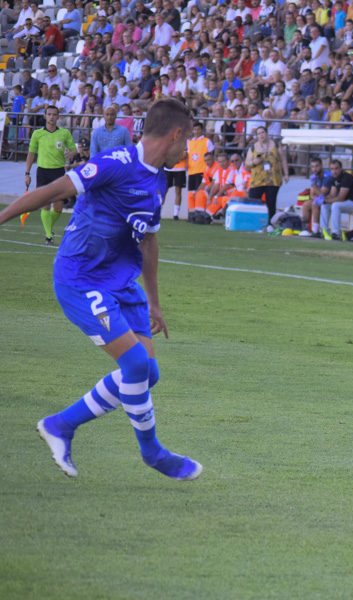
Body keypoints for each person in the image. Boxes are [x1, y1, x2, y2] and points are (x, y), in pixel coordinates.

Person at [0, 98, 202, 481]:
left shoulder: (158, 178)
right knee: (136, 365)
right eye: (187, 140)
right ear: (176, 134)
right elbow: (54, 189)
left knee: (148, 374)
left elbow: (149, 242)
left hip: (122, 283)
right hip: (80, 278)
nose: (187, 149)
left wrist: (155, 303)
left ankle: (61, 424)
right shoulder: (116, 162)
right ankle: (154, 454)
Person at [24, 105, 77, 244]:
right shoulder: (37, 133)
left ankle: (49, 227)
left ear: (58, 116)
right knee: (45, 204)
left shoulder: (64, 133)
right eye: (49, 114)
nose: (52, 117)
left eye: (54, 114)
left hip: (59, 172)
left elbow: (74, 150)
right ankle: (49, 235)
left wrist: (70, 153)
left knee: (58, 208)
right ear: (45, 116)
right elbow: (31, 154)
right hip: (43, 172)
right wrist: (27, 173)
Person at [245, 126, 289, 228]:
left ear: (267, 133)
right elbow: (247, 162)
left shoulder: (276, 145)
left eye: (263, 132)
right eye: (259, 133)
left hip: (273, 178)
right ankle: (253, 222)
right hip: (257, 179)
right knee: (254, 201)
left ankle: (270, 224)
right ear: (257, 136)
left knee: (271, 202)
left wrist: (286, 174)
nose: (261, 135)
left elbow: (283, 160)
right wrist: (254, 162)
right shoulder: (253, 147)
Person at [320, 159, 353, 240]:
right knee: (325, 205)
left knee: (336, 205)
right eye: (332, 169)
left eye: (336, 168)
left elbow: (341, 198)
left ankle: (336, 233)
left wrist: (326, 200)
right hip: (348, 202)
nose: (334, 171)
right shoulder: (335, 178)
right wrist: (322, 199)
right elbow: (332, 194)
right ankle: (324, 231)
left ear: (341, 168)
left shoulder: (346, 178)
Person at [184, 122, 214, 221]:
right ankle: (192, 214)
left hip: (202, 170)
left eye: (198, 129)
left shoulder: (207, 141)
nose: (196, 131)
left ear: (202, 130)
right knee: (191, 193)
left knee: (200, 192)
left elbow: (212, 153)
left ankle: (200, 214)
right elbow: (188, 154)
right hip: (192, 170)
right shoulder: (190, 142)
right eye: (194, 129)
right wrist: (186, 163)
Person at [298, 157, 333, 237]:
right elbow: (312, 194)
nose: (314, 169)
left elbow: (321, 194)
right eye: (313, 167)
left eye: (317, 166)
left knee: (314, 204)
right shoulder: (315, 177)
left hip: (329, 200)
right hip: (321, 200)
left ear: (321, 166)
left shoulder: (327, 177)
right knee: (306, 204)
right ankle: (305, 228)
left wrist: (314, 184)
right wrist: (316, 198)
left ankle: (315, 231)